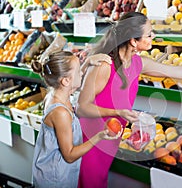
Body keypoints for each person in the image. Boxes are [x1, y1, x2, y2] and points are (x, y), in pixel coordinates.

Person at [76, 12, 182, 188]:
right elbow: (82, 107)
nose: (153, 36)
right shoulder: (104, 66)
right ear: (133, 41)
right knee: (88, 182)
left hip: (111, 136)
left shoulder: (139, 63)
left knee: (99, 182)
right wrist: (117, 112)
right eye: (149, 34)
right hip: (91, 139)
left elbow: (180, 72)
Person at [31, 51, 129, 188]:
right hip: (55, 180)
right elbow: (69, 155)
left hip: (57, 172)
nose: (82, 73)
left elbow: (70, 83)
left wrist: (87, 62)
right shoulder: (60, 113)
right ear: (65, 80)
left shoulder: (56, 93)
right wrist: (99, 136)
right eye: (78, 72)